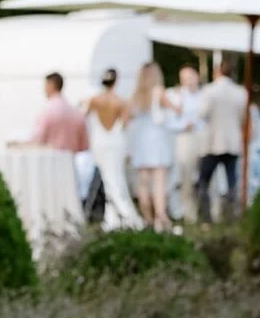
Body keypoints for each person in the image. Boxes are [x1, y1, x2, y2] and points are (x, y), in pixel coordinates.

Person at [84, 68, 142, 230]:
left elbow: (85, 117)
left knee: (109, 178)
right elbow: (125, 124)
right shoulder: (121, 102)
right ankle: (119, 215)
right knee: (115, 177)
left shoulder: (94, 100)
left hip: (101, 143)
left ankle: (113, 217)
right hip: (115, 142)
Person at [198, 58, 248, 222]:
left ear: (217, 71)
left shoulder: (209, 91)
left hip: (213, 143)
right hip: (232, 142)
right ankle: (231, 217)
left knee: (204, 181)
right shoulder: (240, 92)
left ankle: (206, 218)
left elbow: (203, 113)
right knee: (231, 181)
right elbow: (243, 117)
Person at [128, 62, 176, 232]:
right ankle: (160, 217)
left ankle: (146, 217)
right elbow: (176, 109)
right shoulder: (158, 92)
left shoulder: (136, 95)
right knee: (159, 183)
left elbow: (128, 117)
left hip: (141, 143)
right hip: (156, 141)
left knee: (142, 183)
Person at [166, 64, 206, 222]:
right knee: (186, 178)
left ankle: (211, 212)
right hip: (186, 138)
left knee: (208, 177)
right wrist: (184, 125)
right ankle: (189, 215)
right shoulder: (176, 96)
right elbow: (169, 121)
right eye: (185, 78)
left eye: (191, 77)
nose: (189, 81)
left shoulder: (205, 95)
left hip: (204, 138)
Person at [29, 72, 89, 153]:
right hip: (70, 163)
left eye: (45, 86)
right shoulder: (77, 113)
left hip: (50, 162)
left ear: (50, 85)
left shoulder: (47, 111)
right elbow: (84, 146)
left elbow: (37, 139)